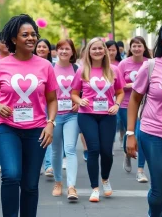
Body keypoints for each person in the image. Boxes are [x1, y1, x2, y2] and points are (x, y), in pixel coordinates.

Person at [0, 14, 58, 217]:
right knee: (11, 175)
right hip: (7, 128)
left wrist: (50, 123)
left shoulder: (45, 66)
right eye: (24, 34)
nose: (31, 38)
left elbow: (52, 99)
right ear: (14, 39)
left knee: (30, 184)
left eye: (33, 34)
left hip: (36, 130)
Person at [71, 37, 124, 202]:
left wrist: (117, 104)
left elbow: (120, 91)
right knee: (93, 149)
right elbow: (73, 93)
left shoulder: (114, 70)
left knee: (107, 152)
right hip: (87, 115)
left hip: (108, 115)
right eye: (94, 49)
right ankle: (95, 188)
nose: (97, 51)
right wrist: (80, 101)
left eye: (100, 48)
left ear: (105, 51)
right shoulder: (82, 70)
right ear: (88, 51)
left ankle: (105, 179)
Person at [127, 25, 162, 217]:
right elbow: (134, 99)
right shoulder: (151, 66)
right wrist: (130, 133)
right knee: (159, 193)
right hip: (153, 134)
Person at [118, 36, 151, 181]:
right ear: (130, 49)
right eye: (134, 46)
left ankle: (140, 170)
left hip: (145, 106)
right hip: (126, 105)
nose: (137, 48)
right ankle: (127, 153)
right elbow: (117, 85)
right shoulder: (124, 64)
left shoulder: (150, 63)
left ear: (144, 48)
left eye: (139, 46)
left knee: (140, 136)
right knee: (130, 133)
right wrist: (133, 85)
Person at [51, 39, 79, 200]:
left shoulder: (77, 69)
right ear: (56, 51)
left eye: (67, 49)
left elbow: (85, 89)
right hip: (54, 115)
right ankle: (58, 182)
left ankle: (71, 186)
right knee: (56, 150)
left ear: (72, 52)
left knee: (70, 148)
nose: (63, 51)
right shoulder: (50, 68)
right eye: (60, 49)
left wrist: (79, 102)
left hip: (72, 115)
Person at [33, 38, 55, 176]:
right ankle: (37, 163)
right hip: (34, 105)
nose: (41, 49)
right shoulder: (31, 65)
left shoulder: (52, 67)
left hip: (49, 104)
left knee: (47, 131)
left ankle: (48, 165)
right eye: (39, 46)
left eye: (44, 47)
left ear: (49, 50)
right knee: (35, 134)